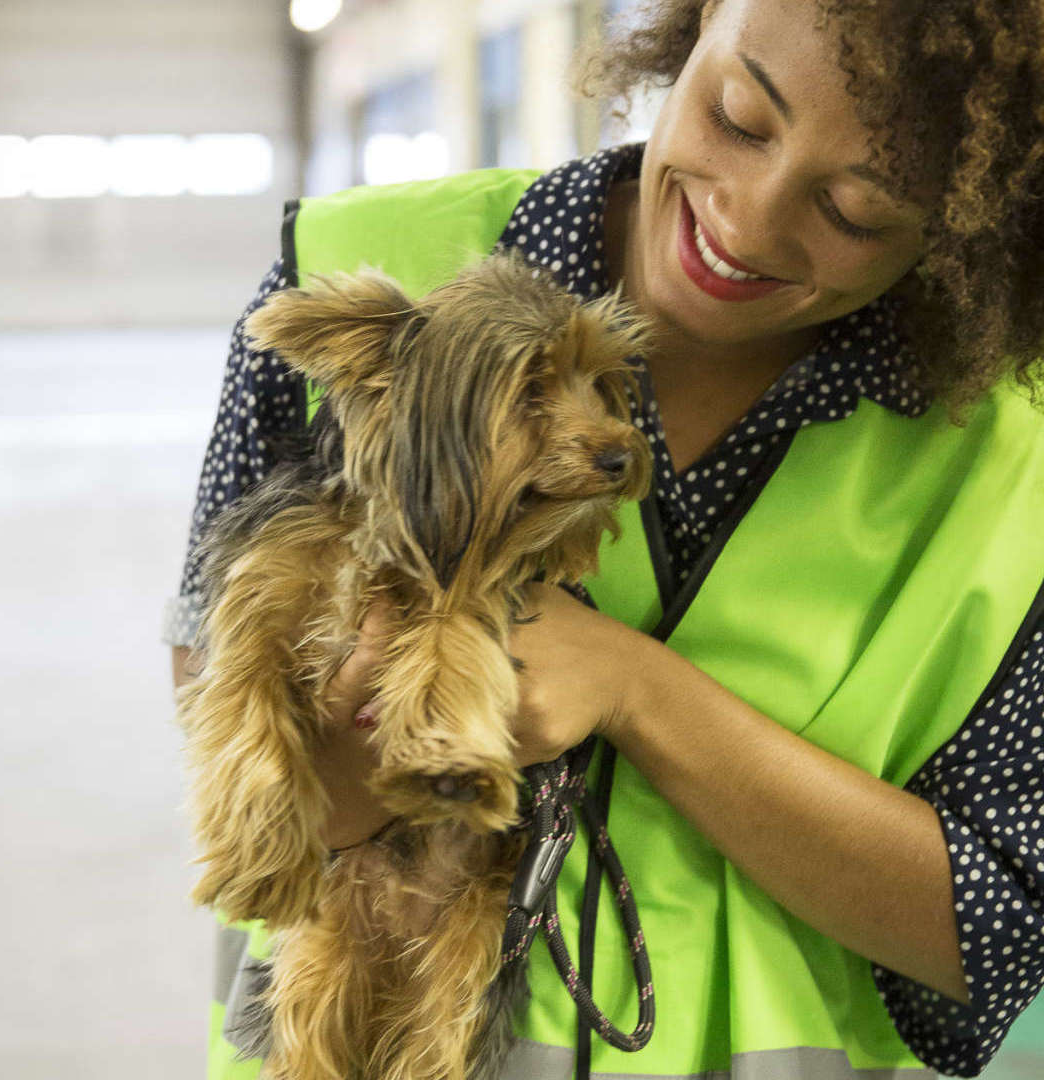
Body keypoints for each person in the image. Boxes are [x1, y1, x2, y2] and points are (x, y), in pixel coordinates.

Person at [166, 0, 1044, 1076]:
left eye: (855, 211)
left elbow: (999, 930)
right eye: (737, 117)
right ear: (699, 17)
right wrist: (368, 772)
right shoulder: (347, 266)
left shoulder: (1010, 460)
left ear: (970, 220)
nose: (747, 222)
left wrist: (638, 692)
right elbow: (214, 675)